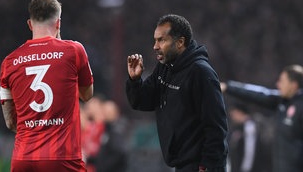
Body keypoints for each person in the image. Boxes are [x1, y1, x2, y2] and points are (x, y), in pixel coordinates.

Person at [0, 0, 94, 172]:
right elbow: (87, 95)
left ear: (29, 24)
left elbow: (11, 122)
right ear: (58, 23)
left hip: (23, 159)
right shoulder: (73, 50)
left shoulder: (9, 62)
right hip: (62, 158)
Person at [126, 14, 228, 172]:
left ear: (180, 42)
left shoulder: (201, 73)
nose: (155, 46)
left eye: (162, 40)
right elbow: (142, 102)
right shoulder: (165, 67)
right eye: (155, 40)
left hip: (201, 166)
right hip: (181, 165)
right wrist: (135, 80)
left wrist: (208, 166)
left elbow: (216, 126)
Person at [220, 64, 303, 172]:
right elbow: (257, 94)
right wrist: (229, 87)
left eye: (282, 81)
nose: (278, 84)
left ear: (294, 85)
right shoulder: (282, 102)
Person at [227, 103, 271, 172]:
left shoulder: (256, 126)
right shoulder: (236, 129)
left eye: (234, 114)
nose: (232, 117)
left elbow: (252, 151)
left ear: (240, 112)